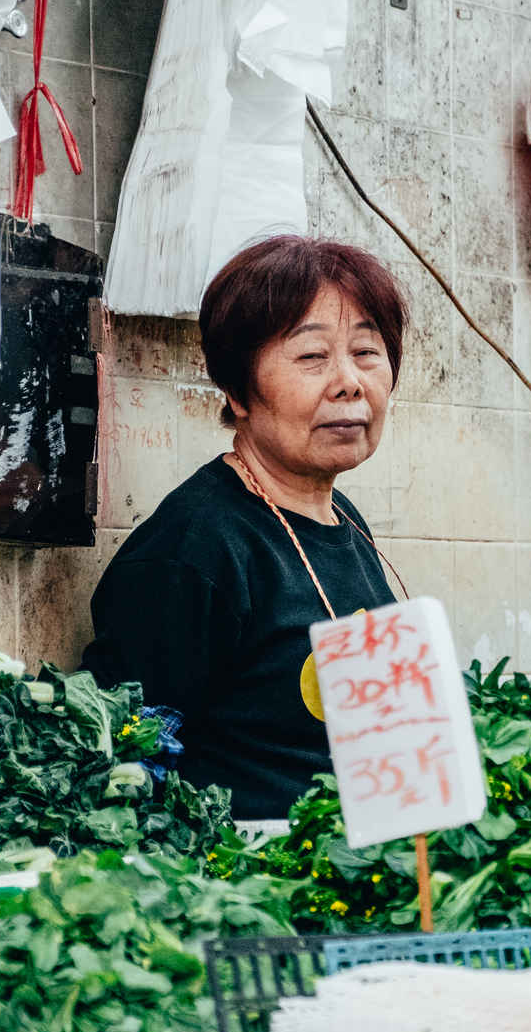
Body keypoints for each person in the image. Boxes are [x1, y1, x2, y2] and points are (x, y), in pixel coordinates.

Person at [84, 234, 408, 820]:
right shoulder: (194, 552)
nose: (349, 382)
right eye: (311, 357)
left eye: (366, 352)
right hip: (248, 887)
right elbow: (120, 771)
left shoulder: (343, 518)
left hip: (356, 875)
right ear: (236, 391)